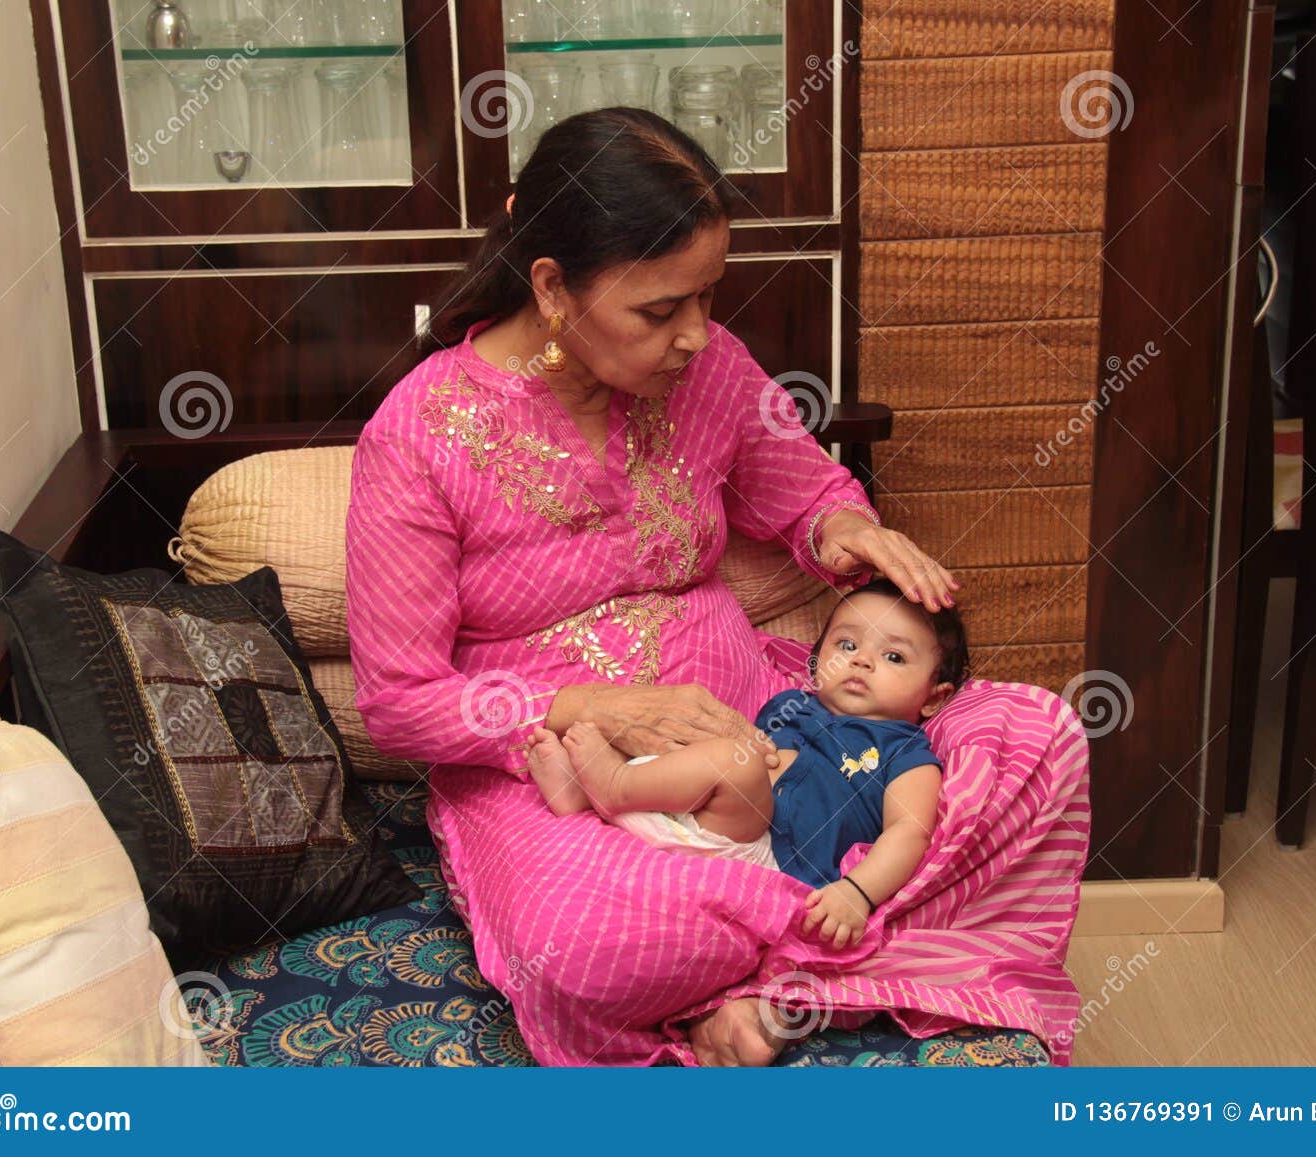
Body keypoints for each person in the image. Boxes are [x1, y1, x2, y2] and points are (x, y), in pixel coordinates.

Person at [347, 106, 979, 1067]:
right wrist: (596, 708)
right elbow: (397, 702)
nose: (696, 336)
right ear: (553, 287)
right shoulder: (419, 434)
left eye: (707, 299)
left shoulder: (711, 368)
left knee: (1029, 745)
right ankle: (807, 969)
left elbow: (806, 490)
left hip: (773, 731)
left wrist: (852, 532)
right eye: (659, 311)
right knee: (592, 949)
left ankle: (772, 983)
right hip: (563, 780)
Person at [526, 581, 967, 952]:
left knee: (735, 765)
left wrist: (858, 892)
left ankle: (616, 785)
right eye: (847, 644)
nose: (861, 660)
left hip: (771, 855)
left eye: (894, 657)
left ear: (933, 696)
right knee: (702, 743)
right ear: (816, 663)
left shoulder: (905, 752)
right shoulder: (791, 706)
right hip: (703, 817)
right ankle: (584, 798)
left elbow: (909, 832)